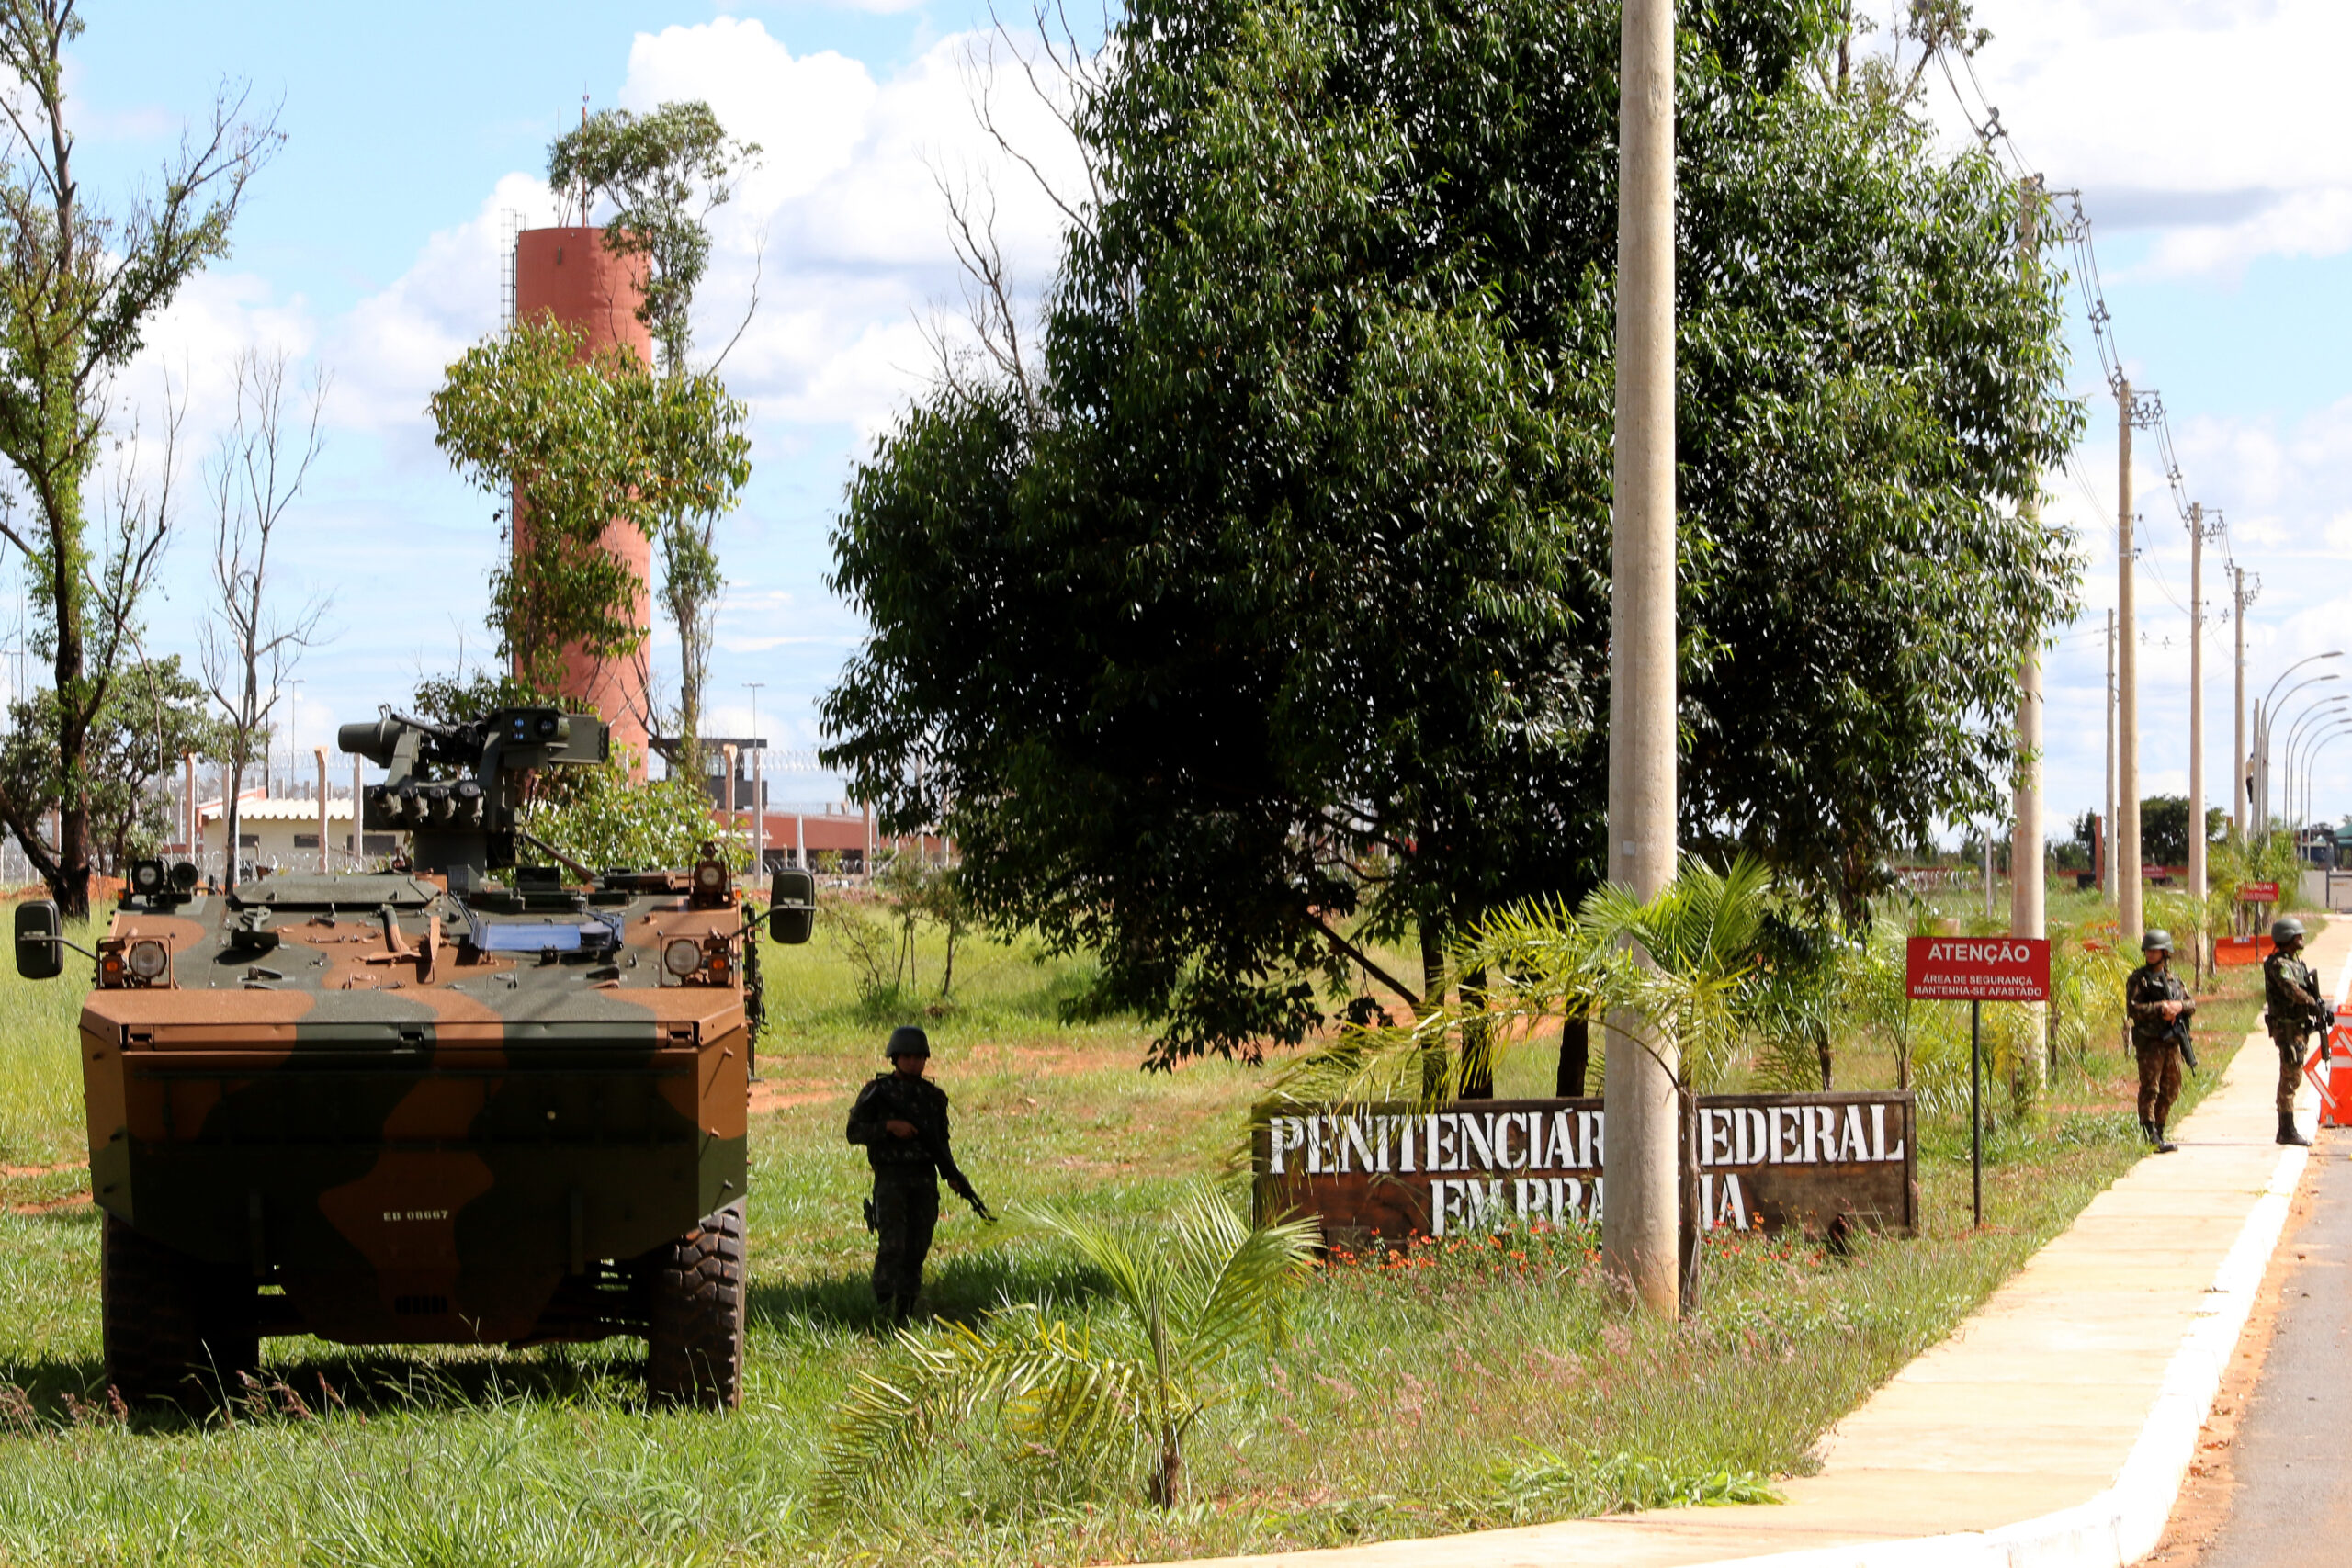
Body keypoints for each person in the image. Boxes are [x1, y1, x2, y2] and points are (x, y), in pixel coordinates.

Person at [845, 1025, 993, 1324]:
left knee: (917, 1248)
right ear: (895, 1058)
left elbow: (940, 1142)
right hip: (891, 1180)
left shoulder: (934, 1097)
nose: (913, 1062)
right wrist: (889, 1127)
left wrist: (952, 1174)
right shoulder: (878, 1093)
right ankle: (883, 1311)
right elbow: (853, 1132)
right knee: (892, 1247)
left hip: (924, 1181)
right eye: (907, 1056)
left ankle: (905, 1314)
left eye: (919, 1057)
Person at [2125, 929, 2194, 1153]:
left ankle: (2160, 1129)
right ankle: (2150, 1133)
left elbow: (2191, 1004)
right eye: (2148, 950)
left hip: (2172, 1042)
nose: (2151, 954)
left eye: (2155, 950)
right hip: (2150, 1043)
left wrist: (2178, 1006)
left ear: (2165, 952)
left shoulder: (2174, 980)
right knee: (2150, 1089)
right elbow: (2134, 1009)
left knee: (2171, 1089)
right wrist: (2160, 1008)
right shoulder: (2139, 979)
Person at [2264, 917, 2327, 1147]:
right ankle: (2286, 1130)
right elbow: (2292, 990)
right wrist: (2313, 1003)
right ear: (2286, 938)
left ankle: (2287, 1128)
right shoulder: (2279, 964)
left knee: (2294, 1076)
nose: (2302, 939)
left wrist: (2318, 1010)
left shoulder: (2294, 962)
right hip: (2288, 1028)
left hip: (2297, 1025)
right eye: (2298, 935)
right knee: (2290, 1078)